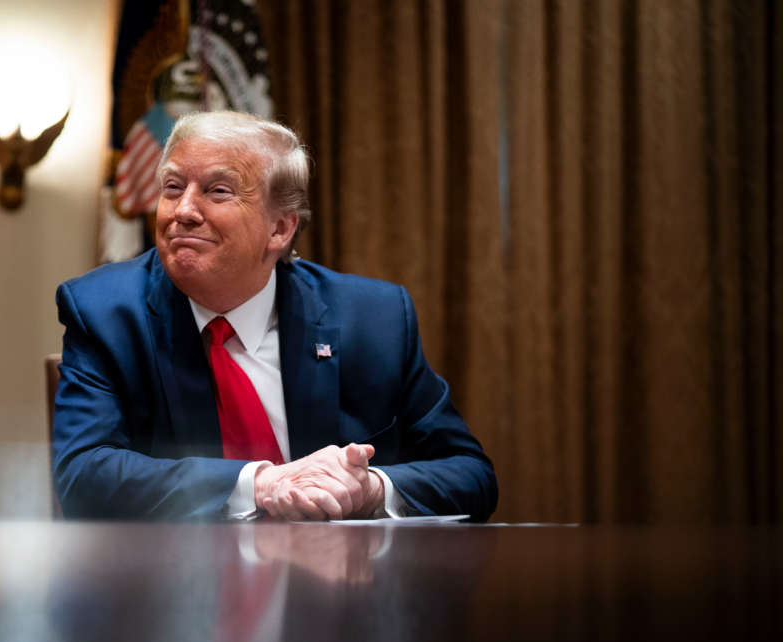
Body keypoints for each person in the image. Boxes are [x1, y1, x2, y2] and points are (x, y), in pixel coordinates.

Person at [53, 111, 496, 521]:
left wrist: (373, 489)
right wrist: (261, 483)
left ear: (280, 229)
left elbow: (470, 474)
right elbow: (82, 472)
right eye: (172, 187)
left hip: (339, 589)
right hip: (177, 590)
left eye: (217, 191)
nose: (183, 211)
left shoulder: (372, 318)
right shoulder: (106, 312)